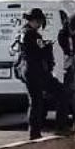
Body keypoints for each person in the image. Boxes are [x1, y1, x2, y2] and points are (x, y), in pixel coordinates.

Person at [20, 8, 54, 140]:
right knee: (36, 101)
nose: (40, 25)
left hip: (28, 69)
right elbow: (39, 52)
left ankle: (34, 130)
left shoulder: (23, 32)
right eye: (39, 22)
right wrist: (47, 47)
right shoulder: (32, 35)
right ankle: (35, 131)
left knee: (35, 100)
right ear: (35, 21)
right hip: (34, 70)